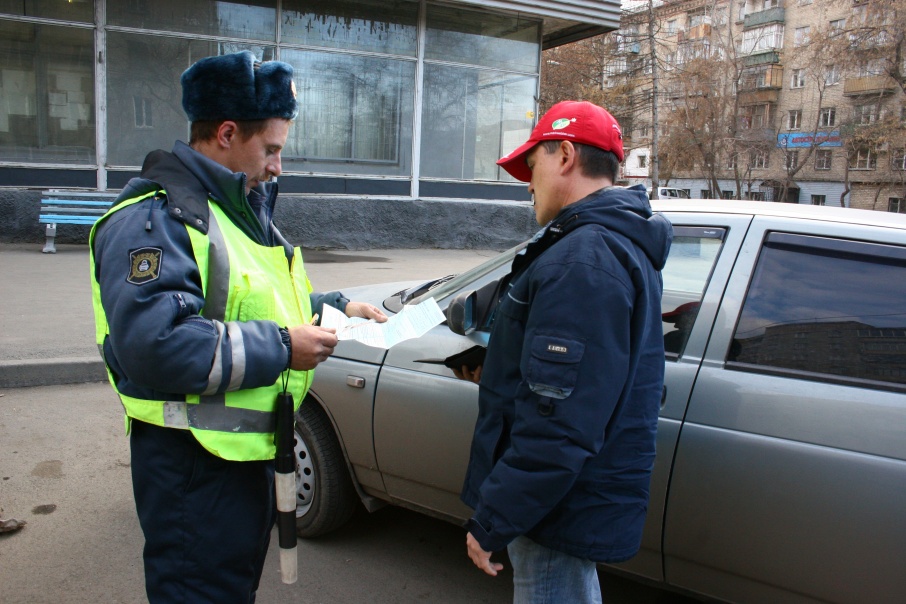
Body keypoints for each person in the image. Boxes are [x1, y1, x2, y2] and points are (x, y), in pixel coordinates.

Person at [88, 51, 386, 603]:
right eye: (271, 149)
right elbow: (157, 344)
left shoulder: (230, 209)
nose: (278, 166)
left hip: (237, 458)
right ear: (227, 133)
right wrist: (283, 346)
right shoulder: (156, 217)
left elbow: (247, 303)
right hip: (191, 471)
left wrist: (333, 309)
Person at [456, 100, 673, 603]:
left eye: (531, 167)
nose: (527, 184)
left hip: (556, 506)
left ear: (566, 155)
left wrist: (493, 519)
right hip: (566, 495)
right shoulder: (610, 246)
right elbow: (590, 382)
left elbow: (559, 420)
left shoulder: (584, 259)